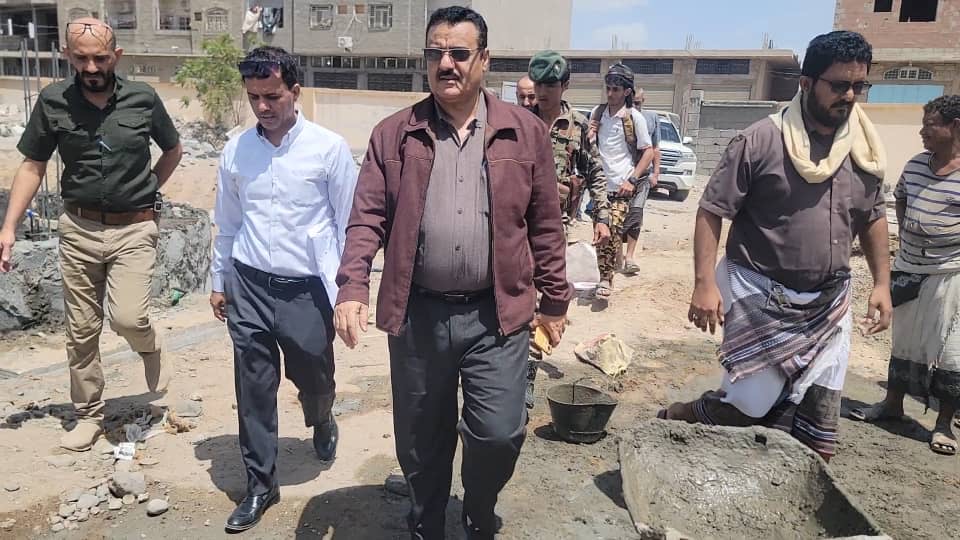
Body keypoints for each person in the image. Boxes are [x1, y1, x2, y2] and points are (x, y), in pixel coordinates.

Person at [334, 7, 571, 539]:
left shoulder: (524, 133)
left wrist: (555, 301)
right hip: (418, 314)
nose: (446, 64)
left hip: (497, 315)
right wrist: (352, 286)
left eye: (459, 53)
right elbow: (366, 217)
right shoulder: (394, 134)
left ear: (484, 59)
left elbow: (546, 224)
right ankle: (426, 523)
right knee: (420, 440)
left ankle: (478, 510)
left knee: (500, 433)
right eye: (435, 53)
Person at [661, 31, 892, 462]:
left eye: (859, 86)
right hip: (758, 294)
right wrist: (704, 284)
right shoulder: (760, 141)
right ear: (806, 83)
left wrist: (882, 283)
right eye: (839, 85)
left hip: (829, 303)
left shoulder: (864, 149)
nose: (850, 96)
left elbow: (873, 216)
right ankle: (683, 415)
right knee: (748, 406)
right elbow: (711, 211)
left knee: (817, 411)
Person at [0, 18, 182, 452]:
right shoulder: (53, 101)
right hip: (78, 229)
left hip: (134, 228)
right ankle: (88, 415)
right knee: (81, 330)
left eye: (100, 57)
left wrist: (148, 190)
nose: (92, 67)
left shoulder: (143, 98)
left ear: (116, 56)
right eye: (81, 58)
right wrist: (9, 227)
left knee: (128, 317)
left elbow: (173, 149)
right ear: (67, 55)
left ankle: (150, 345)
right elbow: (32, 166)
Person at [209, 46, 357, 532]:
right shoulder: (236, 151)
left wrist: (347, 292)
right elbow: (228, 223)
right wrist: (219, 280)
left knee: (314, 371)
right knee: (253, 385)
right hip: (248, 283)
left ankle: (322, 415)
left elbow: (349, 224)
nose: (263, 107)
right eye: (254, 97)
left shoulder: (328, 149)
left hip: (306, 289)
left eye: (272, 96)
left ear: (295, 91)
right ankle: (260, 483)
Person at [850, 95, 960, 456]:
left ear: (954, 127)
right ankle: (892, 405)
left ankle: (943, 425)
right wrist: (913, 232)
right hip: (909, 266)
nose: (922, 132)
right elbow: (900, 198)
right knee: (903, 340)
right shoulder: (915, 165)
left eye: (930, 125)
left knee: (951, 350)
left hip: (950, 273)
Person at [524, 49, 610, 408]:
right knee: (520, 295)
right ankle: (516, 367)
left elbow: (596, 171)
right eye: (539, 84)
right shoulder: (520, 121)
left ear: (565, 85)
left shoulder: (577, 127)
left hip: (555, 226)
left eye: (551, 85)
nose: (543, 92)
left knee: (548, 294)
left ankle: (529, 368)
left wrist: (602, 216)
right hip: (517, 223)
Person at [589, 63, 653, 300]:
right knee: (600, 231)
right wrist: (590, 134)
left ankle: (605, 279)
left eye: (615, 89)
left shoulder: (635, 118)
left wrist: (632, 179)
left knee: (613, 229)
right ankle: (607, 271)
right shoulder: (597, 113)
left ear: (627, 92)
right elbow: (589, 149)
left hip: (622, 187)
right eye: (608, 88)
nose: (610, 93)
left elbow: (648, 152)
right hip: (599, 187)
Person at [620, 88, 661, 275]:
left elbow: (655, 148)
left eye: (638, 103)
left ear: (643, 101)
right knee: (617, 216)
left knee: (636, 214)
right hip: (620, 177)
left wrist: (656, 173)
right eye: (632, 102)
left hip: (642, 177)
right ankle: (616, 256)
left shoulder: (651, 118)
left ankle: (629, 257)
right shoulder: (618, 116)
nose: (635, 106)